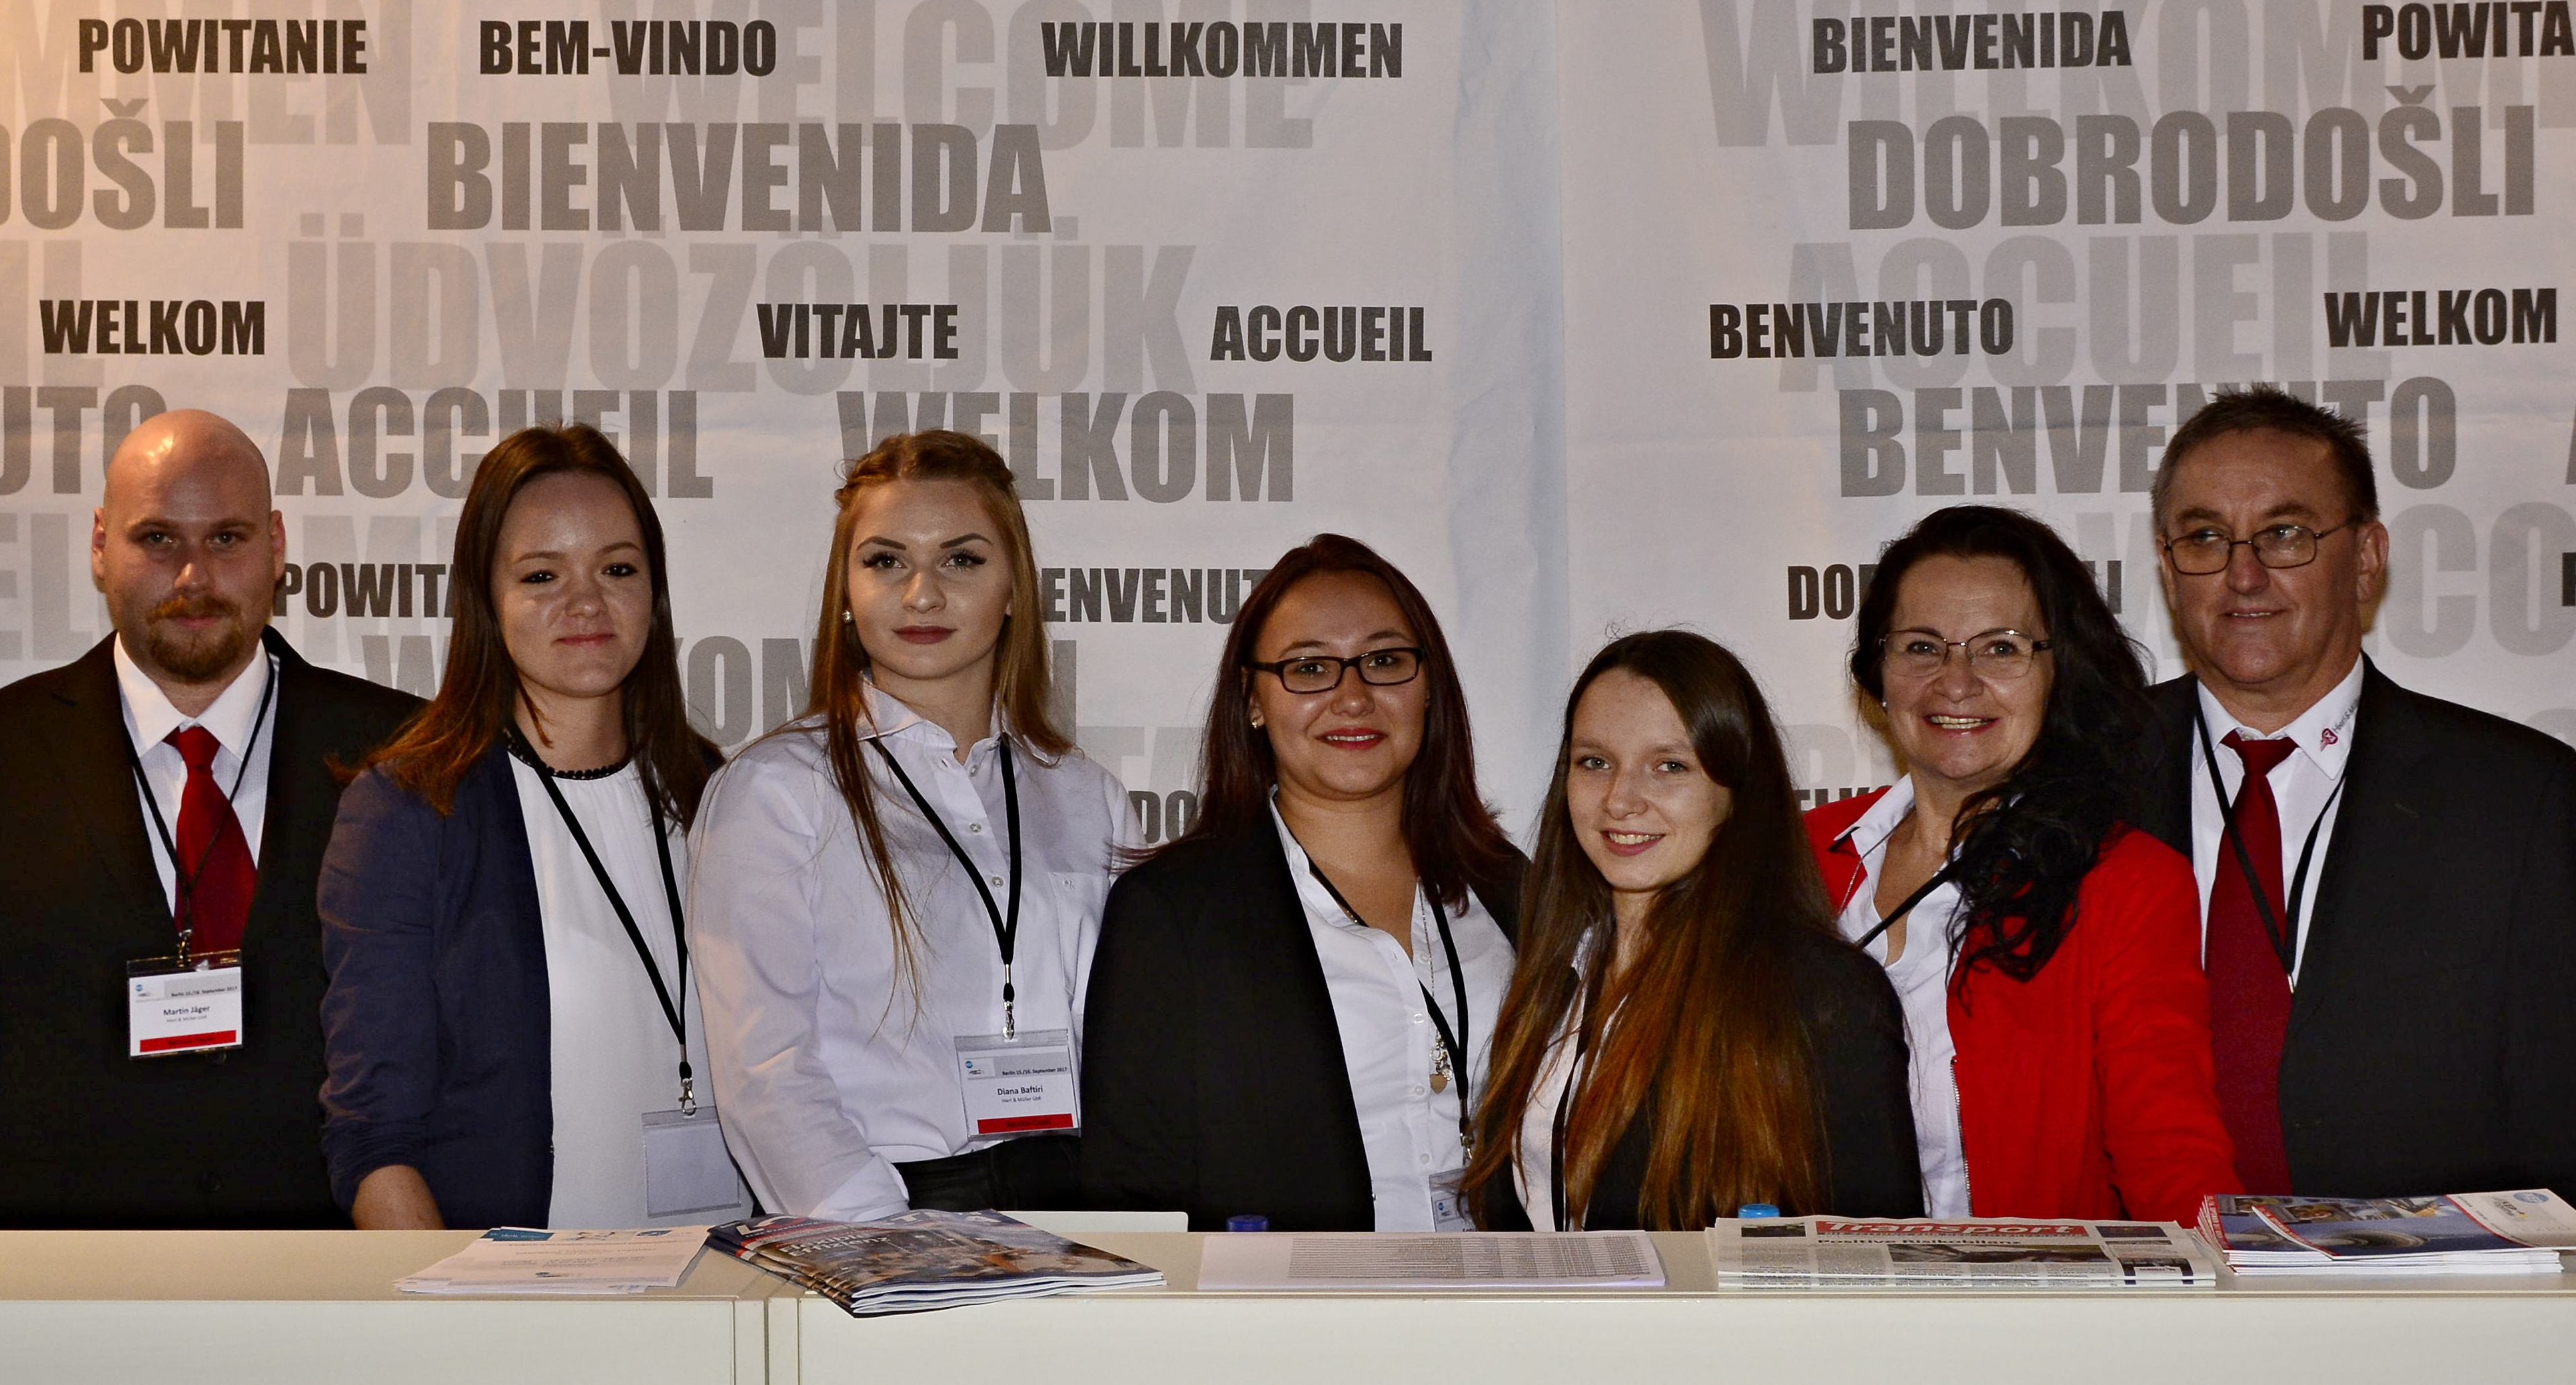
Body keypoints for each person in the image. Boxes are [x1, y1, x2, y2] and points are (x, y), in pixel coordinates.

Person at [0, 409, 414, 1226]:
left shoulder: (399, 750)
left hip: (324, 1273)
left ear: (276, 545)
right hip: (59, 1281)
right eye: (157, 539)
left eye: (226, 539)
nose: (192, 576)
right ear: (99, 546)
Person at [2138, 387, 2576, 1220]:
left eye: (2284, 534)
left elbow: (2569, 1134)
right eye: (2205, 537)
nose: (2242, 574)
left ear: (2367, 559)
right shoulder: (2074, 778)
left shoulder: (2509, 794)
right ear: (2167, 566)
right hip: (2142, 1282)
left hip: (2416, 1287)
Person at [690, 429, 1130, 1217]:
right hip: (880, 1216)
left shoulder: (1085, 795)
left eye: (961, 560)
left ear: (1014, 589)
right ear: (846, 593)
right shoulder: (777, 792)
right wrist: (880, 1241)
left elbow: (1127, 1041)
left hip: (1080, 1207)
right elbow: (765, 1072)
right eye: (886, 561)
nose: (921, 594)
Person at [318, 423, 740, 1228]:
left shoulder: (719, 792)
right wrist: (465, 1307)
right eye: (542, 575)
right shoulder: (411, 812)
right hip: (519, 1290)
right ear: (487, 600)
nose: (586, 603)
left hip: (725, 1279)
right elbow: (374, 1137)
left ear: (654, 591)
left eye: (618, 569)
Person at [1081, 536, 1526, 1231]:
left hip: (1509, 1287)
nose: (1352, 697)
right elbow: (1132, 1191)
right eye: (1309, 668)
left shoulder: (1508, 887)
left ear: (1429, 687)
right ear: (1253, 700)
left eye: (1384, 661)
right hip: (1293, 1294)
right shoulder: (1172, 914)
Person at [1809, 506, 2235, 1221]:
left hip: (2033, 1291)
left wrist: (2242, 1272)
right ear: (1877, 673)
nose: (1956, 682)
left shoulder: (2126, 883)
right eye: (1922, 647)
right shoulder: (1796, 856)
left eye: (2000, 649)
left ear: (2059, 672)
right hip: (1811, 1285)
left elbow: (2168, 1151)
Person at [1467, 631, 1922, 1230]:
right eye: (1595, 762)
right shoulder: (1550, 975)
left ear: (1737, 793)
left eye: (1670, 766)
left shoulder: (1825, 997)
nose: (1620, 799)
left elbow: (1870, 1259)